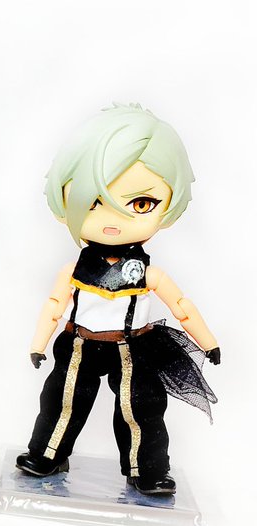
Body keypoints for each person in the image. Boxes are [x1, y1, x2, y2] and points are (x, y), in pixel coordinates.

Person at [16, 104, 219, 496]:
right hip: (80, 342)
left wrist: (208, 342)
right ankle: (47, 453)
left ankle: (148, 469)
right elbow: (54, 306)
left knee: (140, 407)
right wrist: (38, 344)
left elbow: (182, 307)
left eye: (141, 204)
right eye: (93, 201)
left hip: (132, 345)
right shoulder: (75, 269)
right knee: (62, 399)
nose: (113, 219)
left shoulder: (148, 273)